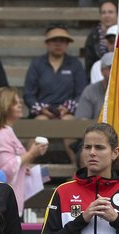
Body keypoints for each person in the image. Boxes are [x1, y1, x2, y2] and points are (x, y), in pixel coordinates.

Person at [24, 23, 86, 163]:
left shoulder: (75, 64)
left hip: (67, 112)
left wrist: (68, 108)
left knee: (68, 123)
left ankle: (76, 168)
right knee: (40, 122)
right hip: (43, 113)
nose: (58, 44)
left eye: (62, 40)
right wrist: (41, 110)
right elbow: (28, 94)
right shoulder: (37, 63)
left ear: (67, 44)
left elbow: (81, 93)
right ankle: (26, 167)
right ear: (47, 43)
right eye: (54, 40)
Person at [0, 87, 48, 216]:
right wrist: (32, 153)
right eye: (14, 102)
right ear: (4, 107)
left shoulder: (3, 132)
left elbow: (10, 163)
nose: (20, 105)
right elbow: (6, 169)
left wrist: (24, 166)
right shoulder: (2, 134)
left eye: (19, 101)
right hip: (0, 205)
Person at [83, 0, 118, 77]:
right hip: (98, 74)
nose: (107, 15)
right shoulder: (93, 36)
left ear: (117, 14)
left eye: (110, 12)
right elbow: (89, 64)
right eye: (103, 12)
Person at [76, 52, 113, 120]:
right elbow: (82, 119)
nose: (114, 71)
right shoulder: (90, 91)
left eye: (118, 67)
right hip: (96, 129)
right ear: (102, 71)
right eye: (110, 67)